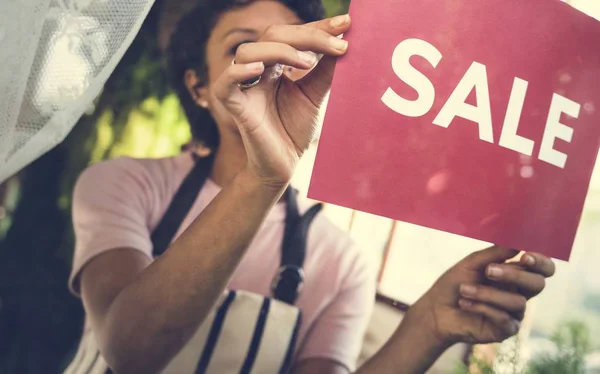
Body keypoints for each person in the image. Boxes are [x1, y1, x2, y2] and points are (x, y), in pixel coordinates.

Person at [63, 0, 556, 373]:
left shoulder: (340, 260)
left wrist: (428, 324)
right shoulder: (122, 183)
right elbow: (130, 348)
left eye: (293, 48)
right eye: (244, 46)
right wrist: (263, 177)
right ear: (197, 85)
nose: (272, 63)